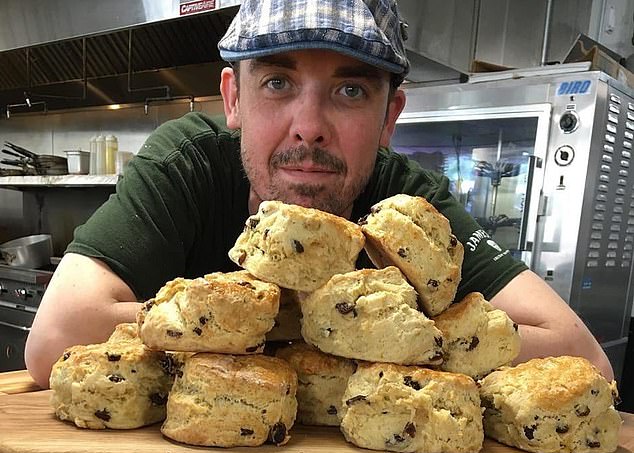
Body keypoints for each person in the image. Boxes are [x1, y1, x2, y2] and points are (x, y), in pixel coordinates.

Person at [25, 0, 613, 389]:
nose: (309, 126)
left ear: (390, 118)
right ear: (233, 99)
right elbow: (55, 338)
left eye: (351, 90)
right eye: (278, 83)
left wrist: (374, 332)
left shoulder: (407, 204)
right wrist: (317, 326)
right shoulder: (186, 164)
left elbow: (582, 354)